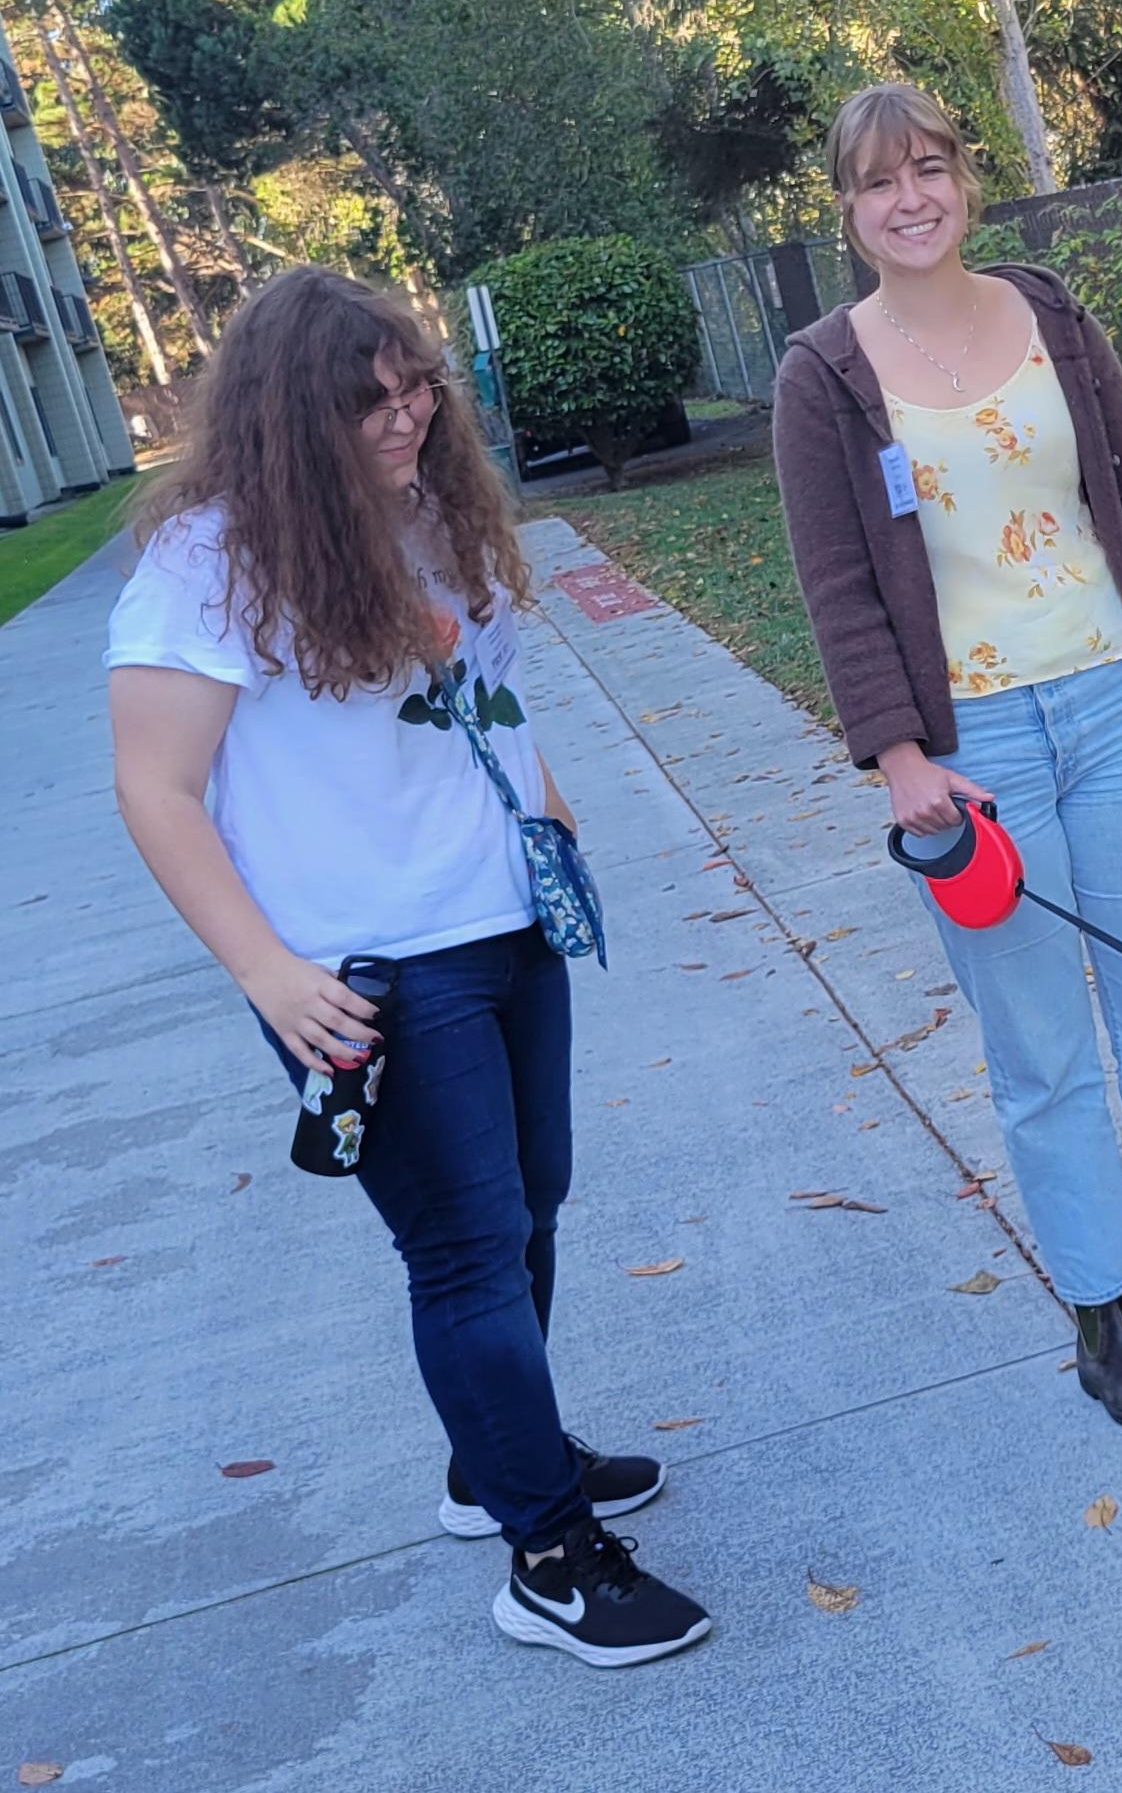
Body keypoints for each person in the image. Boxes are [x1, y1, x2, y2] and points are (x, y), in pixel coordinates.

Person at [105, 268, 710, 1668]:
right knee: (463, 1252)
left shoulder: (432, 512)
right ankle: (547, 1555)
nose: (407, 417)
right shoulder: (210, 561)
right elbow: (156, 787)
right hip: (368, 969)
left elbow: (480, 696)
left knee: (531, 1208)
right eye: (368, 402)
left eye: (416, 386)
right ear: (283, 416)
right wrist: (264, 971)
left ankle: (490, 1457)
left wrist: (548, 814)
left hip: (500, 921)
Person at [771, 84, 1122, 1432]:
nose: (910, 199)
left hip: (1120, 709)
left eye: (929, 169)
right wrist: (896, 758)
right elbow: (836, 587)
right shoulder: (823, 374)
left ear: (963, 181)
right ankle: (1101, 1318)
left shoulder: (1052, 316)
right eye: (879, 182)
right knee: (1043, 1052)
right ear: (847, 209)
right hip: (973, 752)